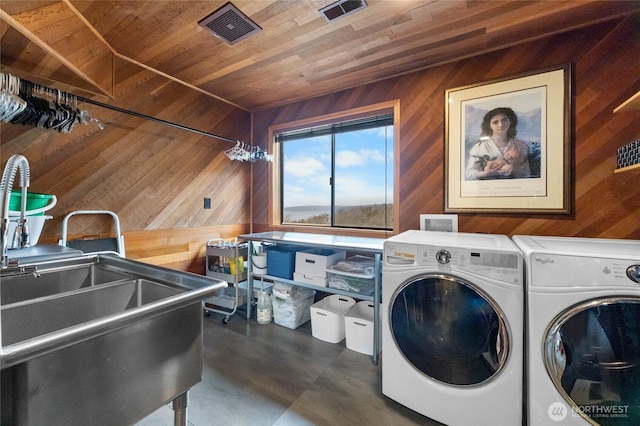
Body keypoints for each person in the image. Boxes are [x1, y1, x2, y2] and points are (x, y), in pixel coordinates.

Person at [465, 107, 531, 180]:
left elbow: (527, 175)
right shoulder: (479, 147)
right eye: (495, 122)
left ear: (510, 121)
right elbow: (469, 174)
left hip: (515, 189)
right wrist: (486, 173)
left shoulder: (521, 147)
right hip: (487, 189)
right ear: (489, 126)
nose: (500, 124)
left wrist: (515, 165)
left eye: (504, 120)